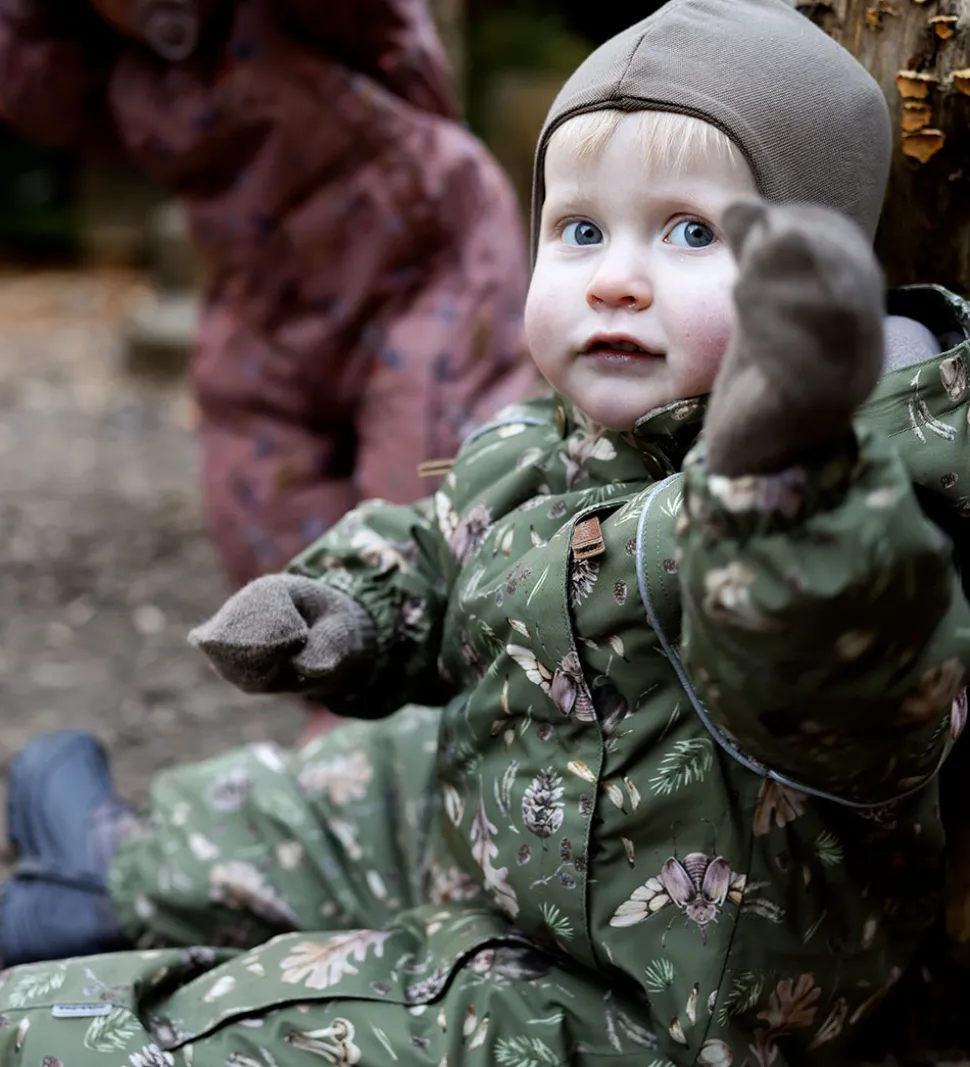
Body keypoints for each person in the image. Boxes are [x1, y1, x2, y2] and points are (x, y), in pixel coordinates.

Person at [2, 2, 970, 1065]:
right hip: (506, 823)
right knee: (340, 786)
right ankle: (120, 867)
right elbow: (445, 538)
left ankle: (68, 1007)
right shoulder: (558, 433)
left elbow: (835, 654)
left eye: (691, 232)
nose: (612, 278)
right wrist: (356, 604)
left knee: (221, 1031)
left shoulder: (846, 503)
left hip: (633, 1003)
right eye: (580, 229)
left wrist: (785, 487)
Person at [0, 0, 537, 589]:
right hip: (267, 293)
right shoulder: (116, 71)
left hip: (425, 258)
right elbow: (27, 81)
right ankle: (342, 627)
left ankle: (468, 615)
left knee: (427, 494)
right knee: (263, 517)